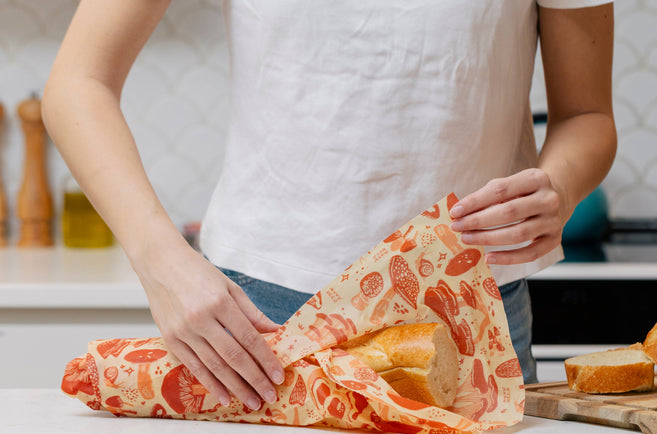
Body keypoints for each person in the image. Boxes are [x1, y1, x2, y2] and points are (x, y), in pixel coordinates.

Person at [43, 0, 616, 411]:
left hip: (469, 309)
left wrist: (559, 186)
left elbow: (585, 116)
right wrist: (162, 264)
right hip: (257, 316)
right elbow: (79, 82)